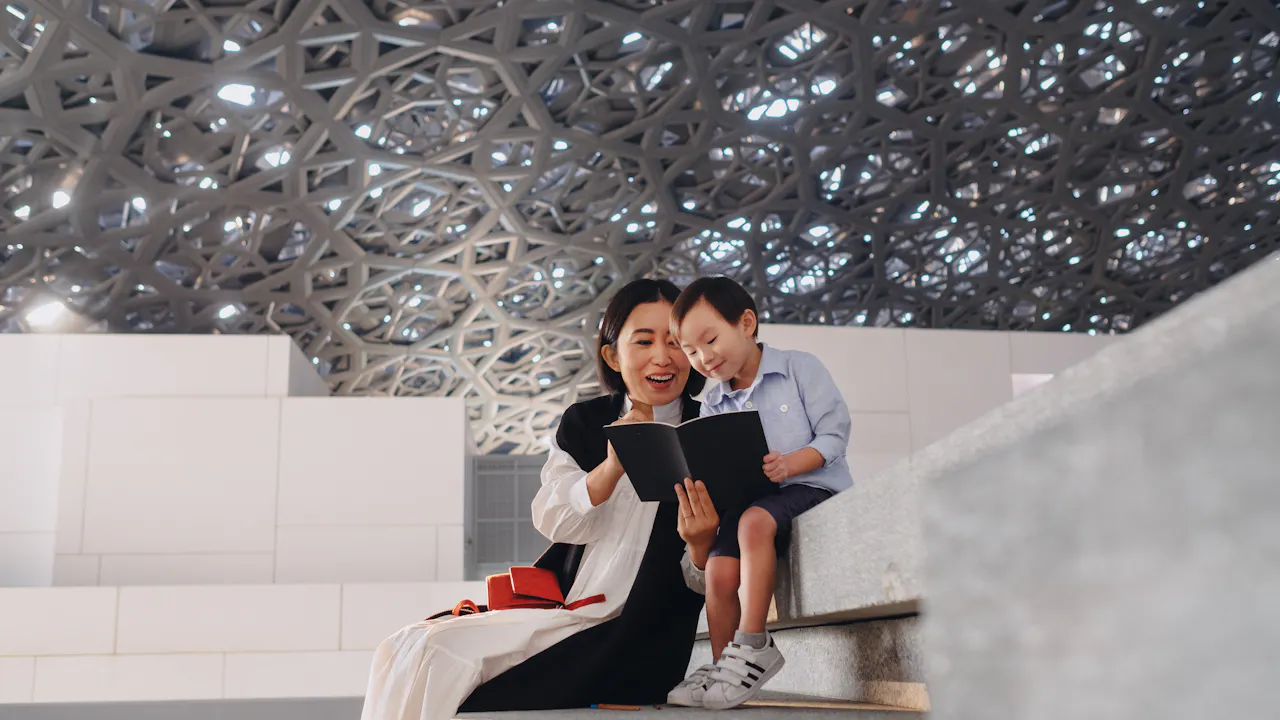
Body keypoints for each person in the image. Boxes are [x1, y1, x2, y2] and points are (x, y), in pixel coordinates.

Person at [360, 278, 721, 720]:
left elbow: (711, 581)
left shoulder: (711, 431)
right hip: (564, 610)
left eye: (675, 342)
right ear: (613, 354)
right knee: (406, 645)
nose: (662, 357)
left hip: (636, 634)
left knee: (440, 655)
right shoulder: (586, 423)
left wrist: (702, 547)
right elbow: (554, 520)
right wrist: (610, 470)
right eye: (643, 341)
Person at [666, 276, 853, 710]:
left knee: (752, 523)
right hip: (752, 498)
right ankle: (722, 668)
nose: (703, 357)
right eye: (691, 351)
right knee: (717, 567)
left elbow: (835, 435)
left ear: (746, 323)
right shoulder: (712, 403)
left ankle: (753, 644)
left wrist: (792, 462)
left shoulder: (798, 367)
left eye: (710, 340)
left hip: (810, 488)